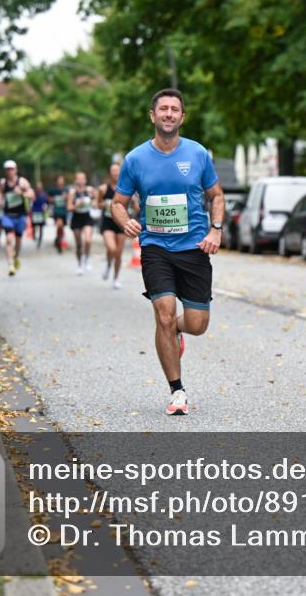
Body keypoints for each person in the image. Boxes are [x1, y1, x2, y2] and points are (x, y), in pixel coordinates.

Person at [111, 88, 224, 416]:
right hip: (155, 247)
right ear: (153, 115)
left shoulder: (198, 154)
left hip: (193, 246)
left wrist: (215, 229)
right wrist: (125, 221)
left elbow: (216, 195)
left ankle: (175, 329)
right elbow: (117, 204)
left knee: (198, 323)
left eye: (175, 109)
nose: (169, 114)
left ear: (182, 117)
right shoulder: (135, 159)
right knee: (162, 312)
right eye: (163, 109)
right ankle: (177, 391)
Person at [0, 160, 34, 276]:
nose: (10, 171)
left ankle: (16, 257)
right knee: (8, 239)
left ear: (16, 170)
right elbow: (0, 196)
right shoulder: (3, 183)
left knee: (18, 240)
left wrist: (22, 193)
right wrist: (0, 202)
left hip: (21, 215)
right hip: (8, 215)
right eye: (7, 169)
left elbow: (32, 196)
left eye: (11, 169)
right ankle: (10, 264)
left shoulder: (22, 182)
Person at [98, 162, 130, 289]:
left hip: (121, 223)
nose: (116, 173)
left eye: (118, 170)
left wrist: (134, 204)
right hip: (108, 222)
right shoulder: (103, 189)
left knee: (119, 253)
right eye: (113, 171)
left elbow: (133, 204)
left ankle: (116, 278)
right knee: (112, 249)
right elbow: (97, 204)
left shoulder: (126, 188)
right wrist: (106, 204)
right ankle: (108, 264)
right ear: (110, 173)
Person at [68, 172, 96, 275]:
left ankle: (87, 258)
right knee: (79, 244)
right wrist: (76, 205)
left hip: (87, 217)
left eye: (83, 179)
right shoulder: (72, 192)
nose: (81, 181)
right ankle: (79, 264)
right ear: (75, 181)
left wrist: (93, 199)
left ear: (85, 180)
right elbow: (69, 207)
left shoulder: (89, 190)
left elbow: (96, 201)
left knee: (88, 240)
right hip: (76, 219)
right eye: (78, 179)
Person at [48, 174, 68, 253]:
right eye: (59, 179)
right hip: (56, 211)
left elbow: (70, 199)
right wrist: (56, 198)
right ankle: (59, 243)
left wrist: (66, 198)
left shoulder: (66, 189)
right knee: (59, 225)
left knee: (62, 228)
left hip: (64, 211)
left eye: (62, 179)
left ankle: (57, 239)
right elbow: (48, 199)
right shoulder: (53, 190)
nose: (60, 181)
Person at [30, 182, 49, 250]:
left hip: (41, 212)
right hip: (35, 212)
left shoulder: (44, 195)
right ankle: (34, 235)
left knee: (41, 228)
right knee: (34, 226)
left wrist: (46, 208)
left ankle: (39, 241)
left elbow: (46, 203)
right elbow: (30, 203)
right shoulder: (33, 194)